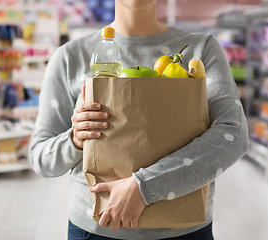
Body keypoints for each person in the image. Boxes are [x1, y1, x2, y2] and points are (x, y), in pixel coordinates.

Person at [29, 0, 249, 239]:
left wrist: (144, 187)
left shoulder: (201, 49)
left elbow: (233, 134)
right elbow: (40, 157)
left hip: (186, 230)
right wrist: (76, 138)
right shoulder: (70, 57)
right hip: (95, 231)